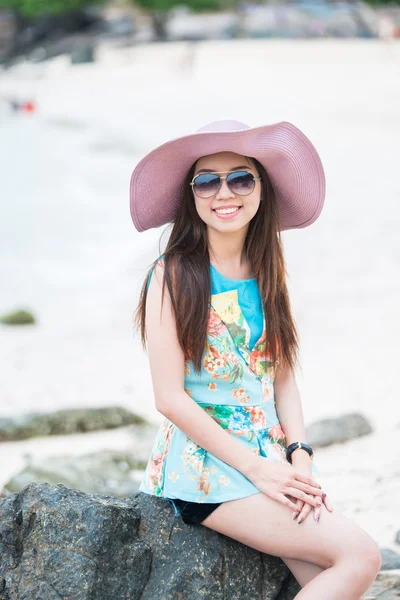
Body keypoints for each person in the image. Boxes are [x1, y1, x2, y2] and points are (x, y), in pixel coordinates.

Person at [130, 120, 382, 598]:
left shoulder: (268, 271)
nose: (225, 192)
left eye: (241, 178)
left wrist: (299, 456)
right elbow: (169, 398)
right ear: (192, 196)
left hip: (273, 457)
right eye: (207, 180)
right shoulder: (172, 275)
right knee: (361, 556)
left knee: (335, 577)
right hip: (203, 467)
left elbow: (282, 381)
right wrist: (259, 470)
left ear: (262, 190)